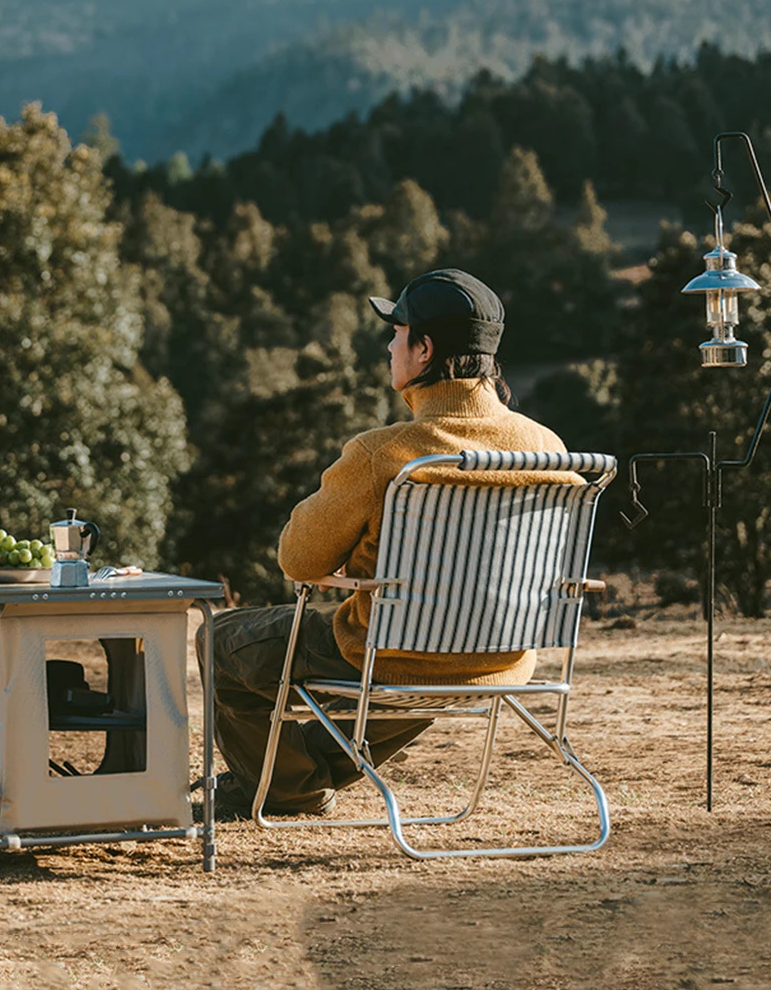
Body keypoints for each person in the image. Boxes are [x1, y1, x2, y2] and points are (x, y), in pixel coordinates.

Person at [200, 268, 582, 818]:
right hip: (499, 657)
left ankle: (287, 787)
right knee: (428, 640)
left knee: (219, 641)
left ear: (424, 350)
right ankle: (299, 777)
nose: (388, 344)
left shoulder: (386, 453)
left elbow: (298, 560)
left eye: (397, 331)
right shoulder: (546, 447)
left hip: (397, 651)